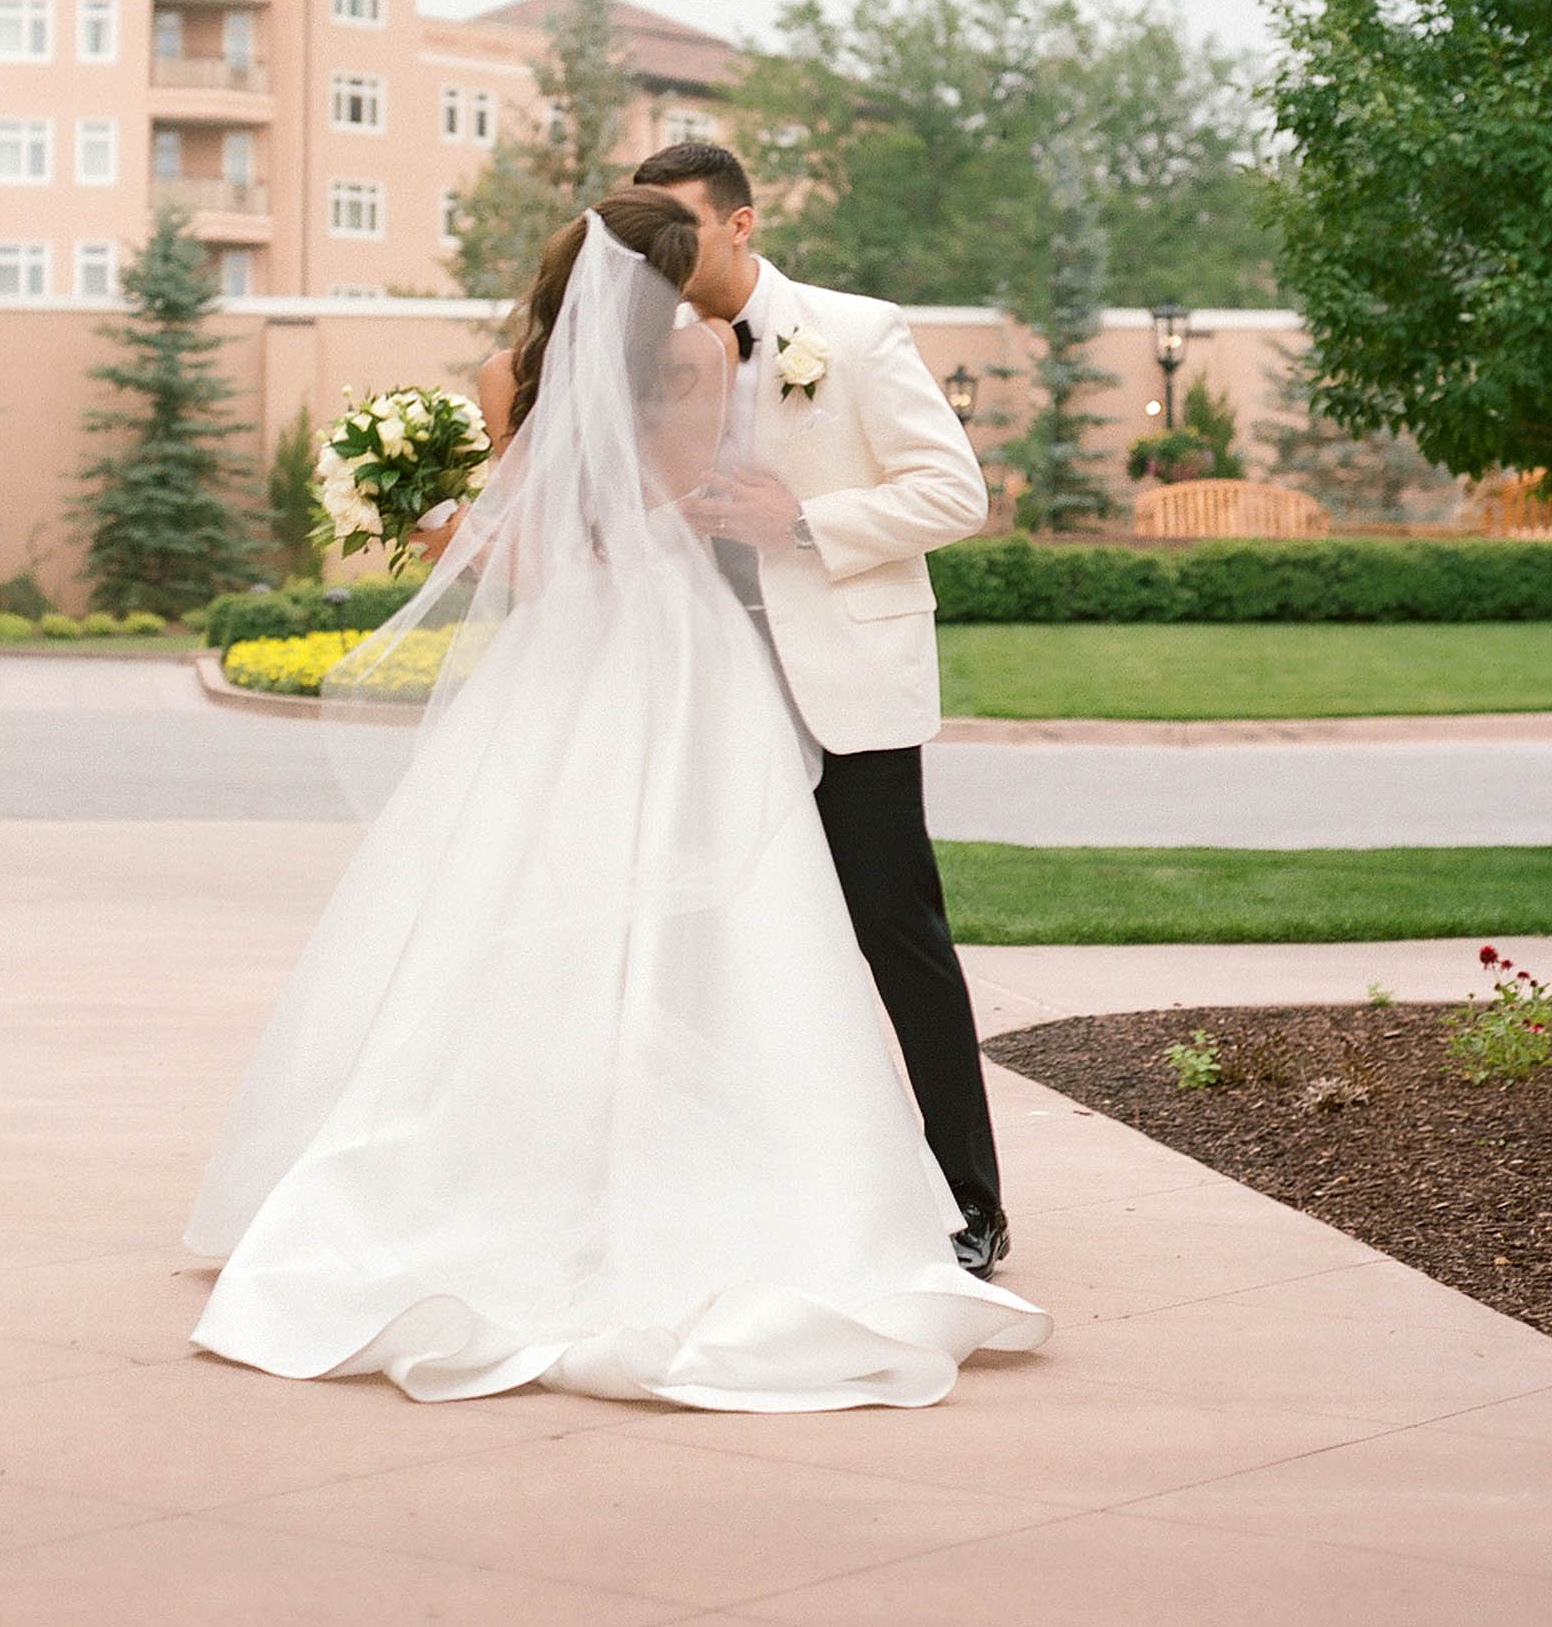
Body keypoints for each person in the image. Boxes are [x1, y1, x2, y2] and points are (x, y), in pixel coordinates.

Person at [182, 188, 1046, 1409]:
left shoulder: (522, 374)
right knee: (738, 934)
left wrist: (439, 522)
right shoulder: (698, 358)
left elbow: (533, 558)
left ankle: (944, 1198)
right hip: (688, 658)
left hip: (617, 665)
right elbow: (676, 520)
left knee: (569, 913)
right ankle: (773, 1186)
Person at [632, 139, 1014, 1278]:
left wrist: (798, 523)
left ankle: (971, 1202)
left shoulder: (851, 333)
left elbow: (954, 494)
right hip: (709, 686)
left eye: (682, 230)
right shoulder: (644, 356)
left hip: (847, 686)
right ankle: (750, 1187)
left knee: (900, 940)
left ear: (741, 225)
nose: (661, 253)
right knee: (723, 944)